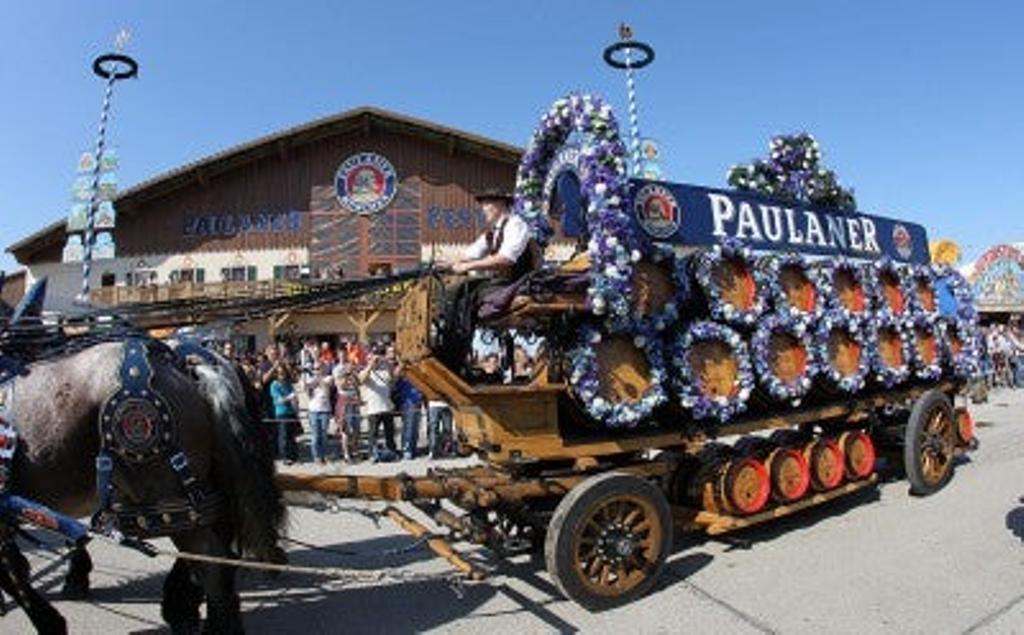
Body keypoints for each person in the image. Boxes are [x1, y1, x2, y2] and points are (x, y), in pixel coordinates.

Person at [442, 189, 541, 371]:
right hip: (502, 283)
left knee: (468, 293)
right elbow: (468, 254)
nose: (483, 209)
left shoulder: (515, 225)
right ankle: (452, 348)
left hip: (520, 282)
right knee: (455, 291)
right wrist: (445, 264)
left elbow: (506, 259)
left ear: (501, 205)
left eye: (488, 204)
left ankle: (455, 355)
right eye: (483, 204)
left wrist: (467, 267)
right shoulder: (491, 234)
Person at [358, 344, 398, 459]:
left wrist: (385, 361)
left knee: (389, 433)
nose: (376, 359)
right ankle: (372, 453)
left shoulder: (385, 368)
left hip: (386, 407)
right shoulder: (366, 370)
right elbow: (361, 380)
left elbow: (393, 378)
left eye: (378, 355)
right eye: (372, 357)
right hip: (373, 409)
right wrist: (370, 365)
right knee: (373, 434)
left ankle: (392, 452)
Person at [332, 355, 362, 462]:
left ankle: (355, 450)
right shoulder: (341, 375)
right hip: (344, 402)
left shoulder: (353, 375)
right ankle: (346, 454)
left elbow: (359, 384)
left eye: (352, 365)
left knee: (356, 428)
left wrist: (354, 375)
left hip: (354, 401)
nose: (351, 367)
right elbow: (340, 386)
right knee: (345, 430)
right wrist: (347, 375)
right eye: (349, 366)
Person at [269, 367, 299, 464]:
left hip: (291, 412)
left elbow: (294, 397)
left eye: (283, 373)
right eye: (280, 373)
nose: (282, 375)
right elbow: (279, 400)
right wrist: (290, 397)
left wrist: (295, 404)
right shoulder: (274, 385)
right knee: (284, 436)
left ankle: (293, 455)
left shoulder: (288, 384)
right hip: (281, 412)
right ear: (276, 375)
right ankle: (285, 457)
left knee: (292, 435)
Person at [393, 370, 424, 460]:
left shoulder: (417, 375)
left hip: (417, 403)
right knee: (408, 427)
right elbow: (394, 383)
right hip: (407, 403)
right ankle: (406, 450)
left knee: (415, 428)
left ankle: (413, 448)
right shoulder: (403, 374)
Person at [307, 365, 334, 464]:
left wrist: (318, 378)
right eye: (315, 369)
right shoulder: (311, 379)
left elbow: (326, 387)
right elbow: (305, 388)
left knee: (323, 435)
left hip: (325, 410)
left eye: (318, 368)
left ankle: (325, 454)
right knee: (315, 436)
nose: (316, 370)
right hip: (313, 410)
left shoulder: (328, 377)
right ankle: (316, 456)